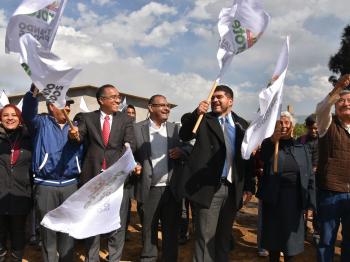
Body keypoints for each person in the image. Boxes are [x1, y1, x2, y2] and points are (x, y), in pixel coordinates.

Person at [179, 85, 254, 262]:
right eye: (213, 97)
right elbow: (184, 135)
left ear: (231, 101)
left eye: (219, 97)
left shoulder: (241, 124)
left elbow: (246, 158)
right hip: (208, 188)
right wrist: (197, 113)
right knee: (205, 238)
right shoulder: (204, 119)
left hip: (232, 189)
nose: (214, 100)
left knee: (223, 237)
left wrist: (249, 185)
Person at [69, 84, 139, 262]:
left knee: (117, 221)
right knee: (93, 220)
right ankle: (92, 258)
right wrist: (74, 135)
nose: (118, 100)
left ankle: (114, 258)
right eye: (114, 96)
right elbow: (79, 137)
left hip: (117, 178)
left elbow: (131, 144)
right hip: (93, 177)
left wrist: (119, 167)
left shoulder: (126, 120)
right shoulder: (87, 118)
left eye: (118, 96)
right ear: (101, 100)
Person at [22, 85, 83, 262]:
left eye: (69, 105)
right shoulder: (40, 123)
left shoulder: (77, 127)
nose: (68, 108)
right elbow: (27, 114)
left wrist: (76, 137)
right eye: (63, 104)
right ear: (51, 106)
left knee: (68, 231)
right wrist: (33, 92)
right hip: (45, 185)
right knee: (48, 233)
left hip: (71, 185)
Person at [133, 94, 190, 262]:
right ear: (150, 108)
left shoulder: (175, 129)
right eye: (162, 105)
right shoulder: (137, 129)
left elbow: (189, 147)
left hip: (171, 190)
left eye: (168, 106)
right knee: (148, 230)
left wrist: (182, 152)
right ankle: (148, 258)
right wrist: (135, 165)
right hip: (149, 189)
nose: (167, 108)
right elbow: (129, 153)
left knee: (171, 231)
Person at [257, 111, 313, 262]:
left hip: (294, 200)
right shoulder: (269, 144)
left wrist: (310, 201)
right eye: (279, 123)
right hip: (273, 198)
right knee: (273, 238)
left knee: (291, 241)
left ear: (293, 126)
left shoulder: (302, 148)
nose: (283, 126)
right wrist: (273, 140)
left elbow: (309, 176)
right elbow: (263, 157)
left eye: (286, 123)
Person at [315, 74, 350, 262]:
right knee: (327, 240)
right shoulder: (327, 124)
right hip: (331, 192)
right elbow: (321, 108)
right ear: (335, 106)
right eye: (341, 101)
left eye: (349, 100)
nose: (345, 103)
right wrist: (338, 88)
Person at [0, 105, 32, 262]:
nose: (10, 118)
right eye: (5, 115)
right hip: (0, 195)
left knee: (18, 233)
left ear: (20, 118)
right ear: (1, 119)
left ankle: (15, 258)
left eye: (14, 115)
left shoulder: (29, 138)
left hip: (21, 195)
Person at [297, 114, 319, 244]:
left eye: (316, 128)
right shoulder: (301, 140)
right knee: (302, 204)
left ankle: (317, 231)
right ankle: (302, 229)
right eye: (311, 128)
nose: (314, 131)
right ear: (307, 127)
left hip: (319, 180)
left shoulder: (325, 140)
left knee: (317, 205)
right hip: (303, 178)